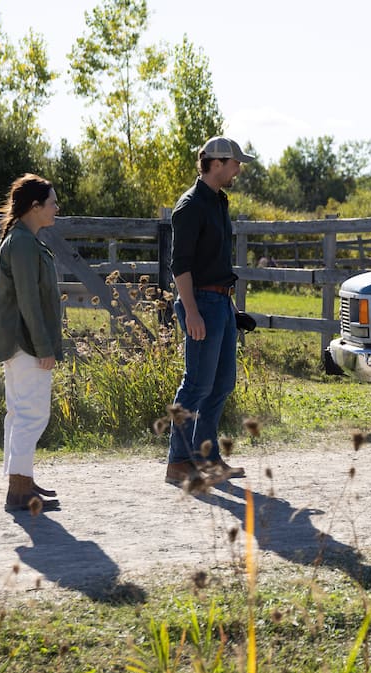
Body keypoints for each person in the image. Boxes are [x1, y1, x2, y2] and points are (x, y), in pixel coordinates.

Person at [165, 136, 256, 486]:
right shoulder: (189, 206)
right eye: (235, 163)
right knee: (196, 385)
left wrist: (228, 305)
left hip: (220, 302)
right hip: (200, 302)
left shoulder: (219, 202)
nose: (238, 169)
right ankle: (178, 462)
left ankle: (205, 456)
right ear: (216, 163)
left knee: (221, 384)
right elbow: (180, 265)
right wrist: (191, 310)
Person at [0, 174, 64, 511]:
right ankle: (19, 491)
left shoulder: (23, 239)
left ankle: (22, 481)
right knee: (31, 415)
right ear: (35, 207)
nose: (57, 208)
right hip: (25, 342)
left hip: (20, 340)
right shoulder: (21, 243)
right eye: (52, 203)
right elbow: (29, 301)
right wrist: (44, 347)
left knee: (20, 414)